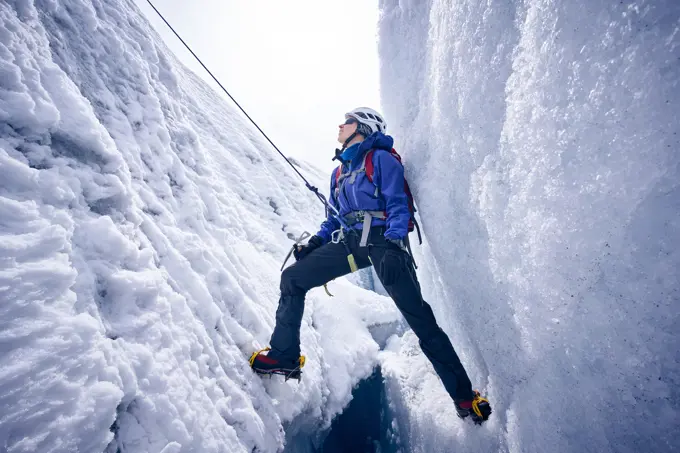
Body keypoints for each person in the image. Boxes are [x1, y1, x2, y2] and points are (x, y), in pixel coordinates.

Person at [250, 107, 491, 424]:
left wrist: (392, 242)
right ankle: (284, 356)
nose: (340, 125)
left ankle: (464, 398)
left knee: (421, 319)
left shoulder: (380, 159)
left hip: (382, 243)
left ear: (362, 127)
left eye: (346, 121)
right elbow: (333, 220)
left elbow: (396, 203)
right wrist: (316, 242)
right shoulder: (339, 173)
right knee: (293, 279)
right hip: (349, 243)